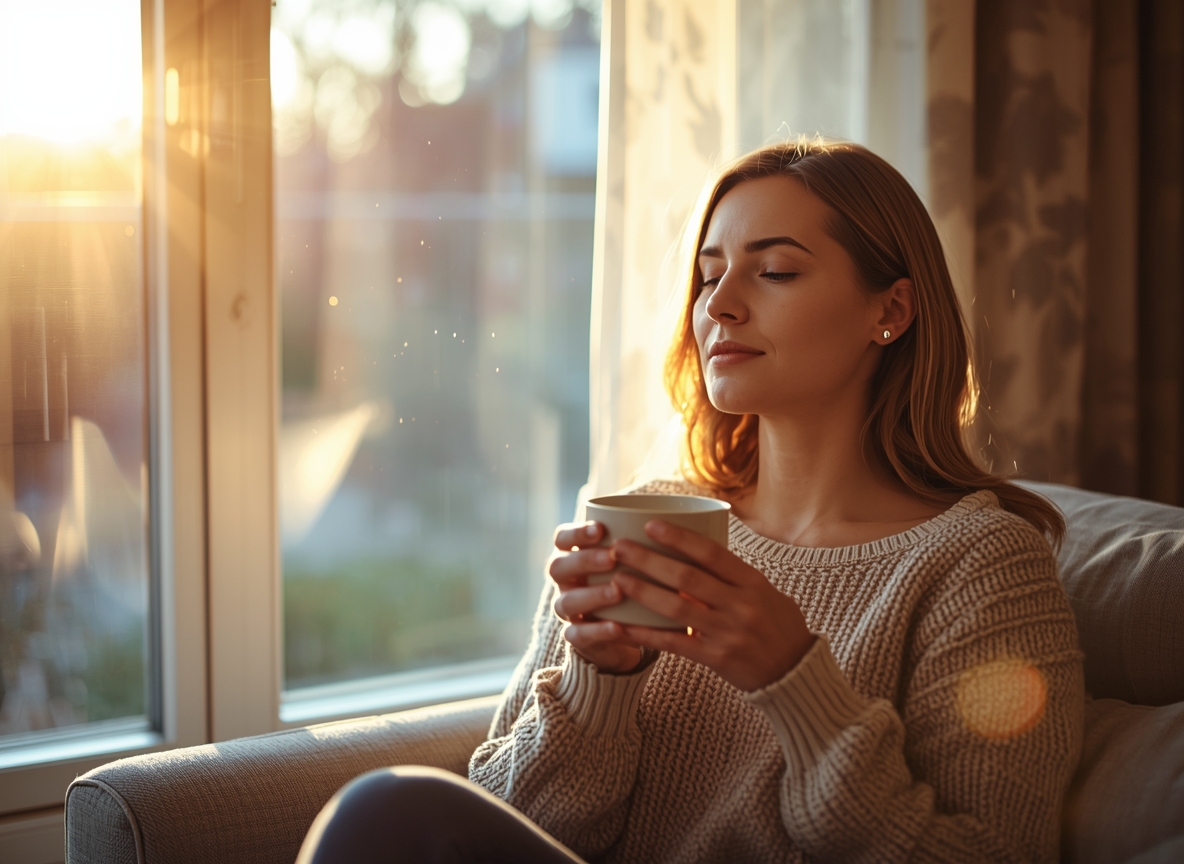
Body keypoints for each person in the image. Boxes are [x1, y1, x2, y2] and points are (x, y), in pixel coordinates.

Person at [296, 140, 1084, 864]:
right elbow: (508, 818)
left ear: (891, 312)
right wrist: (599, 679)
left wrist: (795, 679)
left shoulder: (979, 564)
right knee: (395, 813)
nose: (720, 305)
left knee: (385, 808)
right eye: (709, 276)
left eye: (773, 272)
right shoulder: (645, 520)